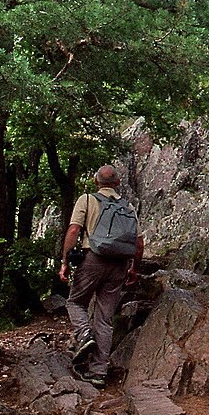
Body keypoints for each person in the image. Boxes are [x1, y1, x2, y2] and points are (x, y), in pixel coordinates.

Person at [59, 164, 142, 388]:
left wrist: (65, 261)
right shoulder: (128, 207)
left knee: (75, 302)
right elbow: (139, 242)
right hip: (119, 265)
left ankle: (85, 335)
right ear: (116, 183)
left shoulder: (87, 199)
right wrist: (133, 268)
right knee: (104, 319)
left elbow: (74, 230)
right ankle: (98, 372)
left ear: (96, 182)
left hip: (93, 259)